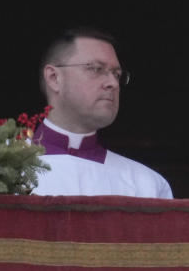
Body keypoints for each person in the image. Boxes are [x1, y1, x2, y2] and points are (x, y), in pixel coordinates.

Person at [31, 27, 173, 198]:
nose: (113, 83)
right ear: (54, 78)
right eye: (96, 69)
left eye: (117, 74)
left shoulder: (145, 184)